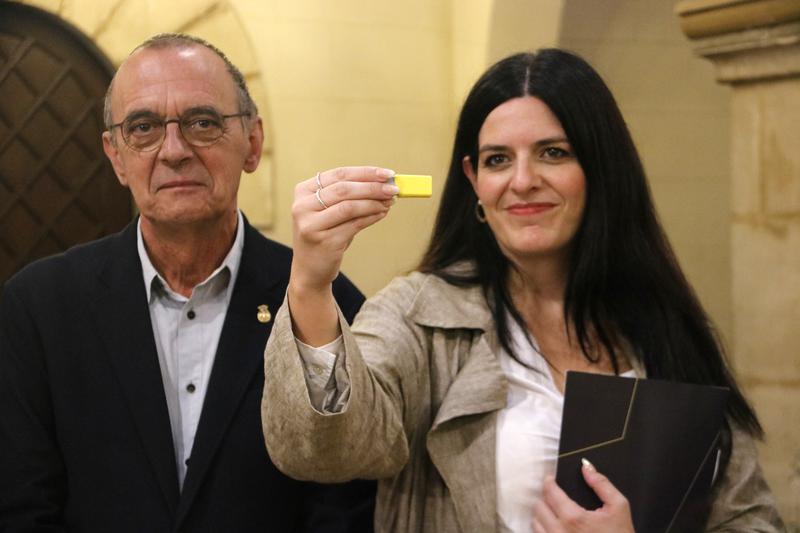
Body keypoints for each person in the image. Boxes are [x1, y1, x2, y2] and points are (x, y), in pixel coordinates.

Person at [260, 49, 785, 532]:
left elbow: (749, 516)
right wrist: (310, 285)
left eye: (553, 153)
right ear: (473, 181)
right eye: (497, 159)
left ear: (599, 168)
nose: (523, 180)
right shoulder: (421, 315)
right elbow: (327, 452)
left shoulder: (664, 323)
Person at [0, 33, 375, 532]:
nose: (174, 151)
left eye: (202, 123)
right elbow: (22, 506)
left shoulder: (325, 302)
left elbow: (343, 500)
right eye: (144, 127)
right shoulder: (38, 308)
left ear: (253, 142)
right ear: (115, 155)